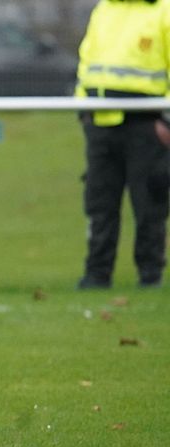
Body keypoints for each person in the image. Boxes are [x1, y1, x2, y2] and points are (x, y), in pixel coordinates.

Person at [74, 0, 170, 290]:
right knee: (99, 202)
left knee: (149, 202)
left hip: (146, 124)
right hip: (101, 123)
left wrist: (167, 120)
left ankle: (150, 275)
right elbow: (86, 61)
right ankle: (97, 274)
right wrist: (83, 110)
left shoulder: (162, 10)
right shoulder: (104, 9)